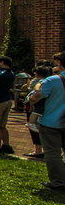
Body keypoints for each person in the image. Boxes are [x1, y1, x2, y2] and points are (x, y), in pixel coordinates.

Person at [29, 51, 65, 191]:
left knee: (52, 152)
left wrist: (37, 88)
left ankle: (58, 181)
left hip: (51, 121)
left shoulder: (52, 80)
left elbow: (34, 98)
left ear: (60, 64)